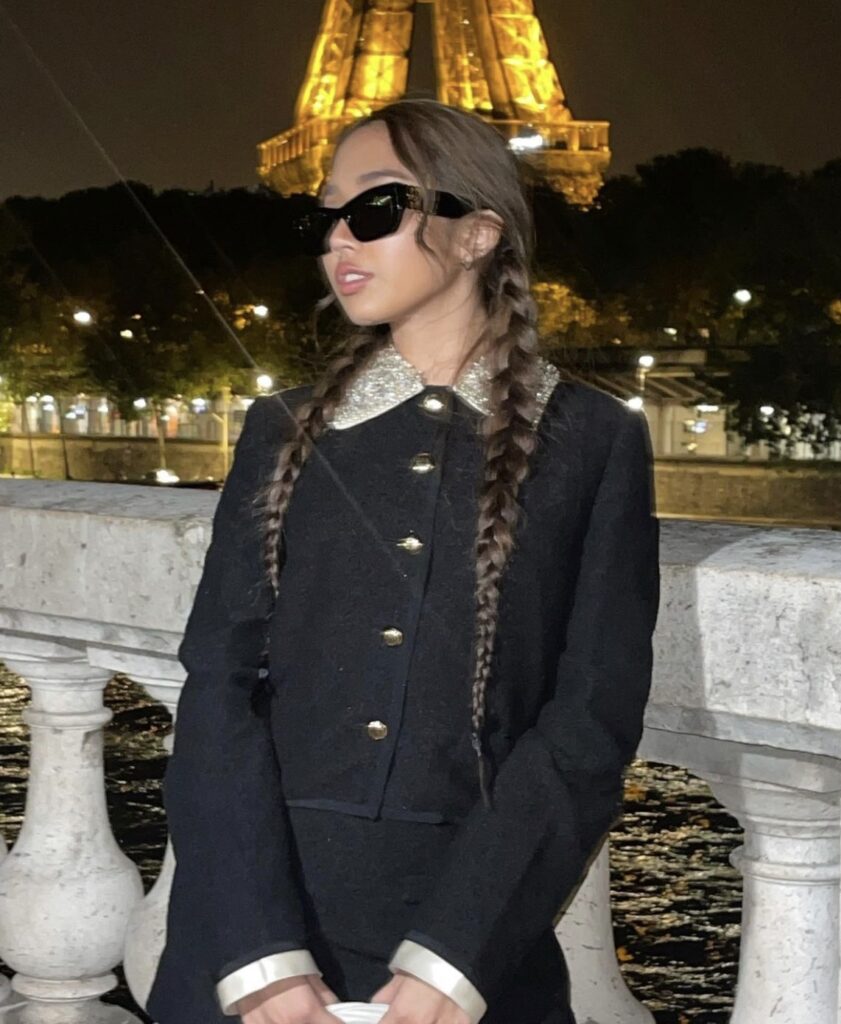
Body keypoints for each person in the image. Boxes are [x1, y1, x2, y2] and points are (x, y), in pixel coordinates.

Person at [145, 98, 661, 1024]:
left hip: (466, 936)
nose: (338, 237)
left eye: (374, 208)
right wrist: (259, 954)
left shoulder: (591, 441)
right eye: (324, 215)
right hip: (256, 927)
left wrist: (454, 961)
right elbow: (217, 687)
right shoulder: (280, 428)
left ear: (477, 235)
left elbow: (589, 719)